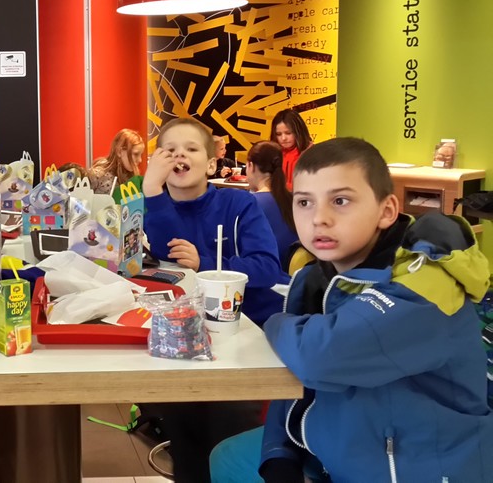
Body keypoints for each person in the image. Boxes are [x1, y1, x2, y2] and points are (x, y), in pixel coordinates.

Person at [209, 137, 493, 483]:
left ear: (386, 211)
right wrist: (279, 455)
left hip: (420, 468)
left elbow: (318, 357)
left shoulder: (427, 282)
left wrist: (276, 321)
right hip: (341, 448)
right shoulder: (316, 276)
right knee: (228, 459)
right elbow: (297, 375)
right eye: (304, 202)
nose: (319, 219)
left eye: (340, 201)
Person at [139, 118, 283, 483]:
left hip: (243, 340)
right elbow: (167, 252)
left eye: (191, 149)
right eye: (169, 150)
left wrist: (205, 262)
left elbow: (267, 268)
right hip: (183, 341)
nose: (180, 156)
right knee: (185, 440)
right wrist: (152, 190)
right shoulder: (151, 206)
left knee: (227, 440)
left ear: (212, 163)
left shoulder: (239, 204)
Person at [246, 141, 298, 271]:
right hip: (293, 274)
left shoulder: (250, 204)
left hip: (266, 275)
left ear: (251, 166)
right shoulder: (294, 200)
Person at [88, 128, 145, 202]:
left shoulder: (134, 179)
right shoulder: (97, 175)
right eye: (136, 154)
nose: (140, 160)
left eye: (141, 154)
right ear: (119, 152)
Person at [270, 109, 312, 190]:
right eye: (278, 134)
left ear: (298, 132)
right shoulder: (273, 154)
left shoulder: (311, 154)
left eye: (288, 133)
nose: (283, 138)